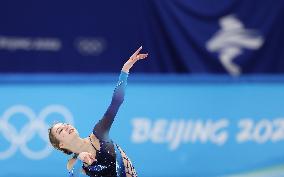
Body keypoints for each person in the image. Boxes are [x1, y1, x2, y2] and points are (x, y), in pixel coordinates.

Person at [48, 46, 148, 177]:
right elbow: (74, 175)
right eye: (61, 130)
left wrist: (125, 70)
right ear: (61, 144)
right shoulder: (73, 162)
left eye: (65, 124)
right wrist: (80, 159)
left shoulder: (100, 132)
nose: (67, 127)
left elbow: (116, 103)